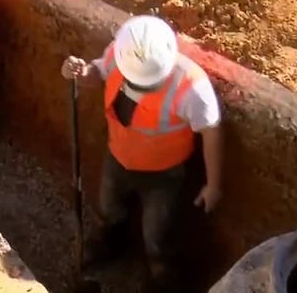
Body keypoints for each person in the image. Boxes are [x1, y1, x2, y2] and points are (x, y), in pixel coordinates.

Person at [60, 15, 224, 291]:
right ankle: (112, 245)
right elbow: (98, 73)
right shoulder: (121, 53)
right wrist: (81, 73)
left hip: (164, 177)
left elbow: (211, 131)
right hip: (118, 158)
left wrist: (214, 185)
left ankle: (162, 280)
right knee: (109, 209)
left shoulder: (191, 86)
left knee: (158, 235)